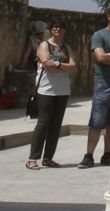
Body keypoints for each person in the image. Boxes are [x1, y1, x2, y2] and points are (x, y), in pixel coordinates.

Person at [26, 21, 76, 169]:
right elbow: (47, 66)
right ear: (50, 30)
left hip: (62, 90)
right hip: (46, 90)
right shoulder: (44, 46)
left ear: (64, 31)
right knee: (43, 123)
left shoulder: (66, 48)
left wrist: (58, 65)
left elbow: (73, 67)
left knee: (56, 125)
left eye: (60, 27)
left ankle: (48, 158)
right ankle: (32, 158)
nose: (57, 30)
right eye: (55, 27)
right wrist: (62, 67)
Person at [79, 5, 110, 168]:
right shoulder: (99, 35)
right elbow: (100, 58)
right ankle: (89, 155)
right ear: (108, 16)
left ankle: (107, 154)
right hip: (104, 83)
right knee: (97, 120)